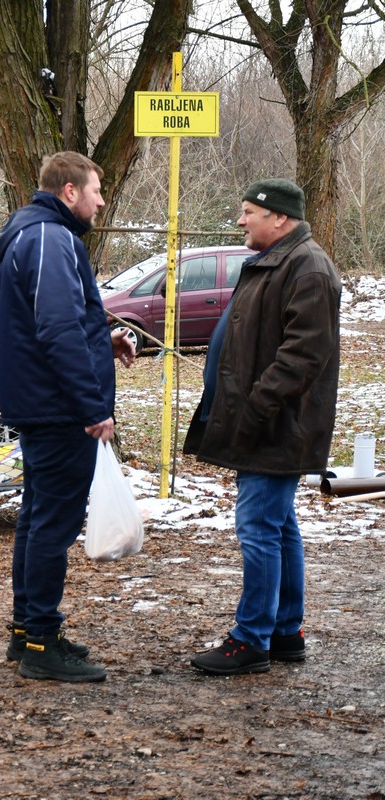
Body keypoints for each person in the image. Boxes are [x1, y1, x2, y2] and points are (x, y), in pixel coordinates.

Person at [0, 151, 136, 683]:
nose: (101, 201)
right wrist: (92, 406)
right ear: (69, 191)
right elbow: (56, 328)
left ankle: (29, 630)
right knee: (53, 525)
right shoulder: (52, 238)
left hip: (38, 403)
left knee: (37, 519)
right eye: (96, 190)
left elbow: (47, 324)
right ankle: (40, 644)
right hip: (58, 409)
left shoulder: (25, 236)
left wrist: (104, 338)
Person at [185, 179, 340, 675]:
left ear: (279, 218)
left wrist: (253, 409)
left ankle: (250, 639)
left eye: (248, 211)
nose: (240, 220)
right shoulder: (277, 262)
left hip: (277, 426)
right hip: (266, 423)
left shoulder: (307, 267)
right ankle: (284, 631)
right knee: (279, 525)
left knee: (258, 528)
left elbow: (303, 355)